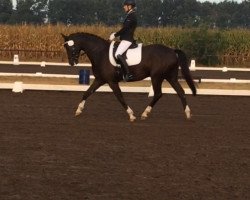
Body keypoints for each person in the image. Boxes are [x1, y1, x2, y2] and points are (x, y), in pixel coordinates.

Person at [109, 0, 137, 81]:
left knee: (117, 54)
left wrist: (115, 35)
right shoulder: (130, 15)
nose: (123, 7)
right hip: (125, 39)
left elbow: (125, 29)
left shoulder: (132, 16)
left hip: (127, 40)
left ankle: (128, 74)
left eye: (125, 5)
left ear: (130, 6)